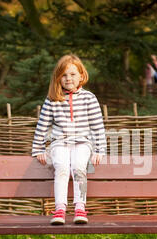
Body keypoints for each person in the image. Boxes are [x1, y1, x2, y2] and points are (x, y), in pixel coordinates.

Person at [32, 54, 107, 225]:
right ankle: (60, 209)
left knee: (79, 167)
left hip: (83, 143)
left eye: (73, 74)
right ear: (58, 77)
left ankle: (80, 207)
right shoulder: (52, 100)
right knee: (62, 167)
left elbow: (97, 127)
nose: (68, 79)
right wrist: (38, 149)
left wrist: (99, 150)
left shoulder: (89, 98)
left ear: (81, 75)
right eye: (64, 75)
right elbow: (42, 126)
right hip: (60, 143)